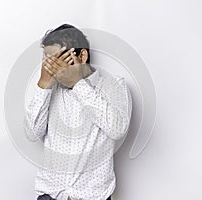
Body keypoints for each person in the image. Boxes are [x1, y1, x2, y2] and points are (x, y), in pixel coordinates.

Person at [24, 24, 132, 200]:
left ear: (82, 55)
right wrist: (43, 84)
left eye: (58, 59)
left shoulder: (113, 86)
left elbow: (117, 128)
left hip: (94, 196)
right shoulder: (49, 91)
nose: (52, 67)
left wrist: (77, 85)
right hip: (50, 195)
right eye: (47, 61)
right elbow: (32, 133)